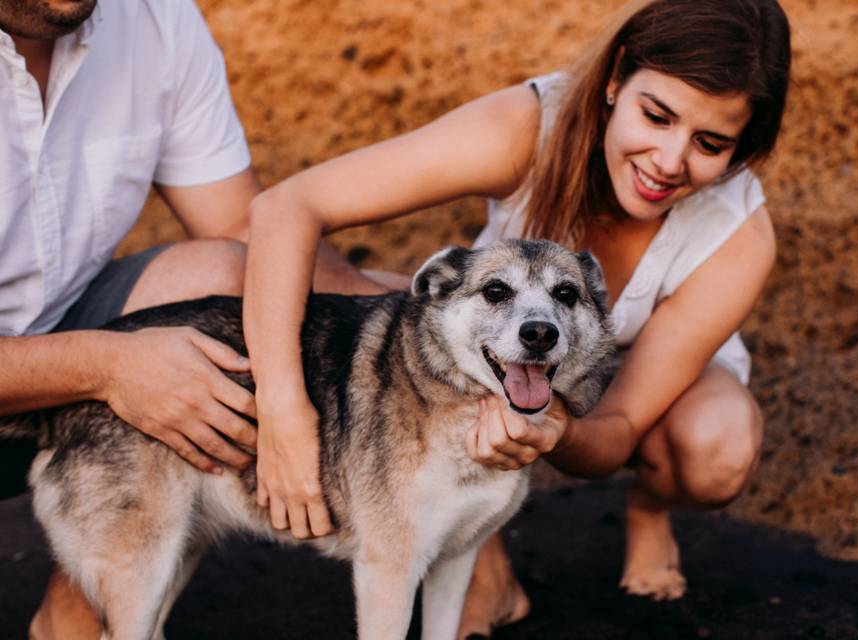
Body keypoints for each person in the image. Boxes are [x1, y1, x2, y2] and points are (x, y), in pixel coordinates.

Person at [244, 0, 791, 637]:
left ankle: (649, 511)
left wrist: (559, 431)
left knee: (715, 447)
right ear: (616, 79)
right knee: (244, 273)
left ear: (741, 149)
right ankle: (478, 553)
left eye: (710, 143)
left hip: (643, 378)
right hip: (502, 344)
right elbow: (287, 207)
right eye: (656, 114)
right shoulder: (530, 124)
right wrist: (285, 408)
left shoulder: (739, 235)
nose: (669, 161)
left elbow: (616, 426)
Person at [0, 0, 362, 637]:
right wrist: (107, 365)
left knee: (229, 281)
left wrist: (425, 360)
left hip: (60, 353)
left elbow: (241, 232)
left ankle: (77, 617)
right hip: (66, 366)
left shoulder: (154, 17)